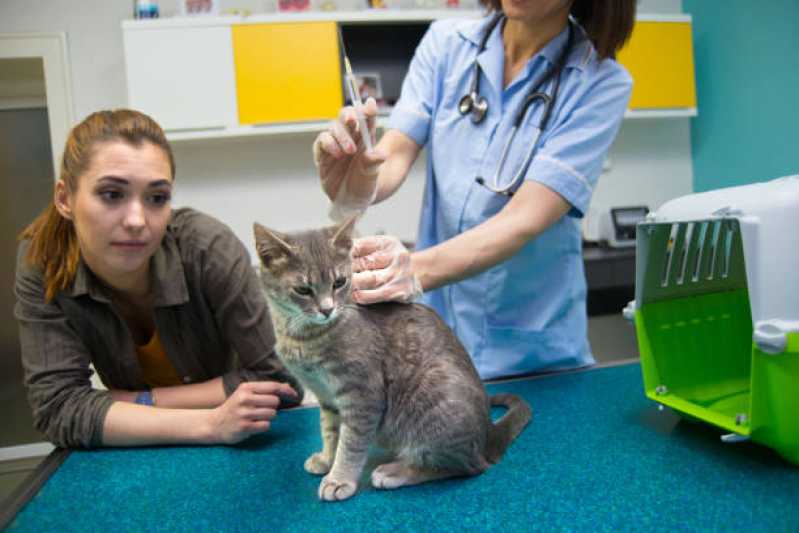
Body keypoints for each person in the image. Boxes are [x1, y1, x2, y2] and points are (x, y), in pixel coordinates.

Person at [313, 0, 635, 379]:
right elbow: (393, 155)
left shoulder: (598, 82)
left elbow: (523, 220)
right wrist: (356, 181)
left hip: (534, 360)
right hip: (436, 346)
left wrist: (411, 270)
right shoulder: (447, 45)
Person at [14, 109, 302, 449]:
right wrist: (210, 423)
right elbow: (58, 409)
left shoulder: (207, 248)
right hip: (151, 449)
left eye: (157, 198)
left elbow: (282, 380)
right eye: (111, 194)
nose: (137, 220)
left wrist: (135, 401)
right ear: (65, 199)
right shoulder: (43, 261)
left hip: (240, 443)